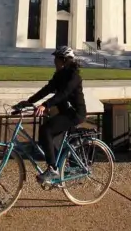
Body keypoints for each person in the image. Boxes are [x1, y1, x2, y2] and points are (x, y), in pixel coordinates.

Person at [20, 46, 86, 184]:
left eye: (56, 59)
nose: (54, 61)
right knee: (49, 136)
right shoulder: (59, 75)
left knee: (47, 130)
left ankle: (53, 169)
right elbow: (47, 89)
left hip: (75, 113)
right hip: (65, 112)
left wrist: (46, 105)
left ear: (64, 60)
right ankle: (63, 163)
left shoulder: (74, 77)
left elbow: (63, 94)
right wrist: (29, 101)